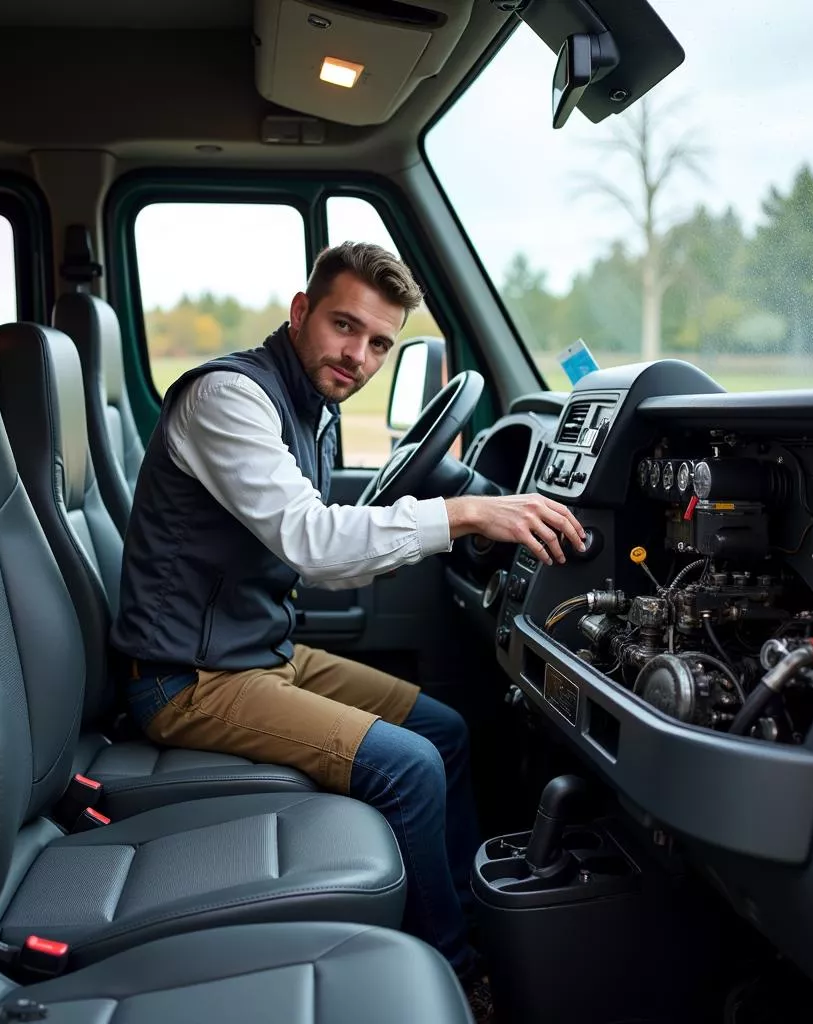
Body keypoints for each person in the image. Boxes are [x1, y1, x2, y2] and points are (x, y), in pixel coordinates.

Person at [111, 242, 585, 1020]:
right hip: (184, 678)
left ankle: (470, 917)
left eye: (378, 344)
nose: (358, 356)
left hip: (255, 653)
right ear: (300, 313)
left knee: (447, 731)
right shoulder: (230, 398)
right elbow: (313, 543)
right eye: (343, 326)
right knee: (410, 768)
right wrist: (467, 511)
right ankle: (460, 972)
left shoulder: (311, 406)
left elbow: (322, 534)